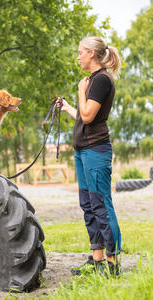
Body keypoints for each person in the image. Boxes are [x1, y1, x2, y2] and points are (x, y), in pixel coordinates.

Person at [57, 36, 122, 276]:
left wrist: (80, 91)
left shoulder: (101, 80)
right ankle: (96, 261)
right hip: (83, 151)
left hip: (96, 151)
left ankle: (113, 264)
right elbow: (84, 115)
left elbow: (87, 116)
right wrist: (67, 107)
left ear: (92, 54)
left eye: (80, 52)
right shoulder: (95, 80)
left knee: (102, 205)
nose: (78, 56)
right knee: (88, 205)